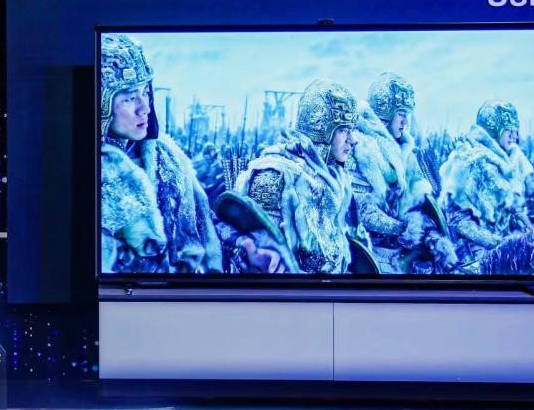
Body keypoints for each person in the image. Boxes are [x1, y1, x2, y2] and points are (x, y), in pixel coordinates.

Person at [99, 34, 222, 274]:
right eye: (130, 97)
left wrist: (244, 243)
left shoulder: (171, 159)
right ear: (102, 102)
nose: (145, 108)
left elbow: (205, 228)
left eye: (146, 92)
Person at [221, 79, 369, 274]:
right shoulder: (274, 176)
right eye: (343, 130)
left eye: (352, 130)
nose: (353, 139)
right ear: (322, 129)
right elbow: (257, 255)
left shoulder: (337, 180)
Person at [350, 73, 456, 273]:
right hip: (372, 252)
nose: (406, 121)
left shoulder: (406, 153)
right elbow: (362, 211)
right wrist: (401, 228)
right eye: (401, 114)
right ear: (386, 113)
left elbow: (419, 204)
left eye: (407, 114)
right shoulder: (359, 149)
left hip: (404, 250)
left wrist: (429, 234)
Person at [438, 100, 534, 273]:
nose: (514, 136)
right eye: (509, 130)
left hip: (509, 240)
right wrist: (499, 243)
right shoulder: (468, 160)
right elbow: (458, 221)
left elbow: (515, 208)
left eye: (515, 130)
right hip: (477, 252)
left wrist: (528, 228)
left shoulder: (512, 159)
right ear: (494, 130)